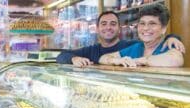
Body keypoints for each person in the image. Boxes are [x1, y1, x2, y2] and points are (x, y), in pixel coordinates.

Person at [56, 10, 185, 67]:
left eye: (113, 24)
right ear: (97, 28)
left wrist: (173, 37)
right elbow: (61, 56)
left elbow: (156, 42)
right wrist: (74, 58)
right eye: (103, 24)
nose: (108, 28)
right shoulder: (90, 50)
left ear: (119, 28)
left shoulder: (131, 45)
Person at [99, 3, 184, 67]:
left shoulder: (169, 44)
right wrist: (116, 60)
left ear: (163, 28)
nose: (146, 28)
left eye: (152, 23)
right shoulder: (137, 47)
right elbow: (102, 58)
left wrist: (139, 61)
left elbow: (176, 60)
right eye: (142, 23)